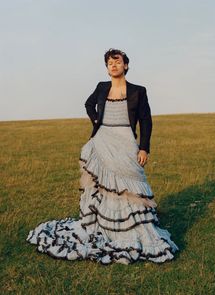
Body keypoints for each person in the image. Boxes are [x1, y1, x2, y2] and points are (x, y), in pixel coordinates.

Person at [26, 48, 178, 265]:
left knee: (130, 182)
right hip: (103, 138)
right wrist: (97, 121)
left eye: (117, 61)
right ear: (107, 68)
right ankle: (103, 226)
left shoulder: (138, 91)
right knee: (102, 185)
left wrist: (144, 148)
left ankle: (133, 229)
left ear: (125, 65)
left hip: (126, 140)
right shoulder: (101, 87)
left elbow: (146, 120)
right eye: (109, 63)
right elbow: (88, 104)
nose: (113, 65)